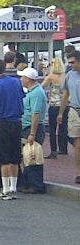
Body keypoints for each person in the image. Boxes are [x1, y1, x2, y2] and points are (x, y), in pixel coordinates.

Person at [0, 59, 25, 200]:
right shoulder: (16, 82)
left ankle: (5, 189)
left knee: (3, 158)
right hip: (17, 121)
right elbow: (22, 98)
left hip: (2, 122)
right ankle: (13, 187)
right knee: (15, 157)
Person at [18, 67, 47, 194]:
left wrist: (32, 133)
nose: (21, 79)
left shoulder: (36, 93)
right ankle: (29, 183)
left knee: (32, 156)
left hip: (32, 128)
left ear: (28, 79)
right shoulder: (32, 91)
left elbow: (36, 114)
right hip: (27, 126)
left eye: (22, 77)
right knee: (28, 156)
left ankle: (36, 185)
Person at [58, 50, 80, 184]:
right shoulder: (70, 75)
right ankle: (78, 172)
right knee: (77, 144)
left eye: (72, 62)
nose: (70, 65)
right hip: (74, 110)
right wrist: (61, 112)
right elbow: (66, 93)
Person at [42, 58, 69, 159]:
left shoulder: (51, 77)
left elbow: (42, 86)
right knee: (63, 127)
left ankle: (53, 150)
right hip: (65, 104)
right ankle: (63, 148)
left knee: (52, 129)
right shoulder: (65, 76)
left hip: (54, 104)